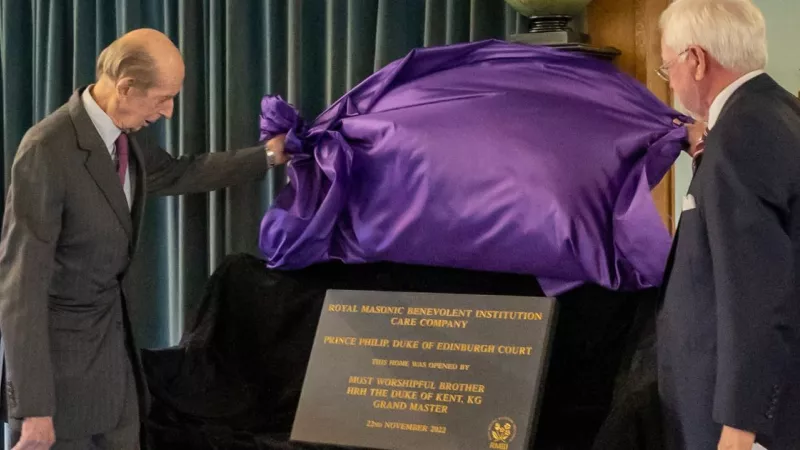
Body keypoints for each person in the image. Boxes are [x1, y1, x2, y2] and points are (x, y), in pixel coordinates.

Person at [0, 28, 288, 449]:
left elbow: (182, 171)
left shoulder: (123, 142)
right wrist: (33, 408)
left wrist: (268, 155)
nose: (169, 111)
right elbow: (20, 286)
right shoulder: (47, 149)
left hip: (117, 372)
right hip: (60, 385)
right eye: (162, 98)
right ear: (126, 87)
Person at [656, 1, 800, 449]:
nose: (672, 82)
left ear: (696, 60)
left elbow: (755, 290)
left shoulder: (741, 135)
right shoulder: (776, 114)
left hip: (740, 425)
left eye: (667, 67)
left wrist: (740, 428)